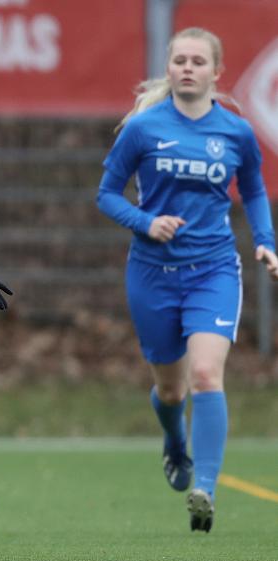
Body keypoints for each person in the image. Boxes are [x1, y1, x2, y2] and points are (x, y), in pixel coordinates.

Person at [97, 27, 278, 533]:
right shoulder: (144, 128)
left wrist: (265, 238)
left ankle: (207, 489)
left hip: (214, 269)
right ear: (169, 69)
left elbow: (256, 191)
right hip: (152, 273)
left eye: (199, 61)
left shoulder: (236, 132)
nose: (188, 68)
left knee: (205, 376)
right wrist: (145, 222)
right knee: (172, 391)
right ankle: (175, 443)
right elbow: (107, 194)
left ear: (216, 72)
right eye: (180, 60)